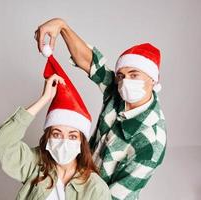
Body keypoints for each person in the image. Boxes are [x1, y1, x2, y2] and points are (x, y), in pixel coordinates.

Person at [34, 18, 167, 200]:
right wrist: (61, 25)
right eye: (121, 75)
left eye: (134, 75)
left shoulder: (152, 142)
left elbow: (115, 196)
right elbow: (90, 62)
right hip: (77, 179)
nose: (125, 82)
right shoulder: (118, 91)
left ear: (153, 79)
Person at [0, 51, 112, 200]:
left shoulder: (96, 188)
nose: (64, 141)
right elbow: (2, 143)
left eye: (72, 136)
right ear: (47, 138)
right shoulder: (35, 166)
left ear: (81, 143)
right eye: (56, 134)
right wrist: (45, 98)